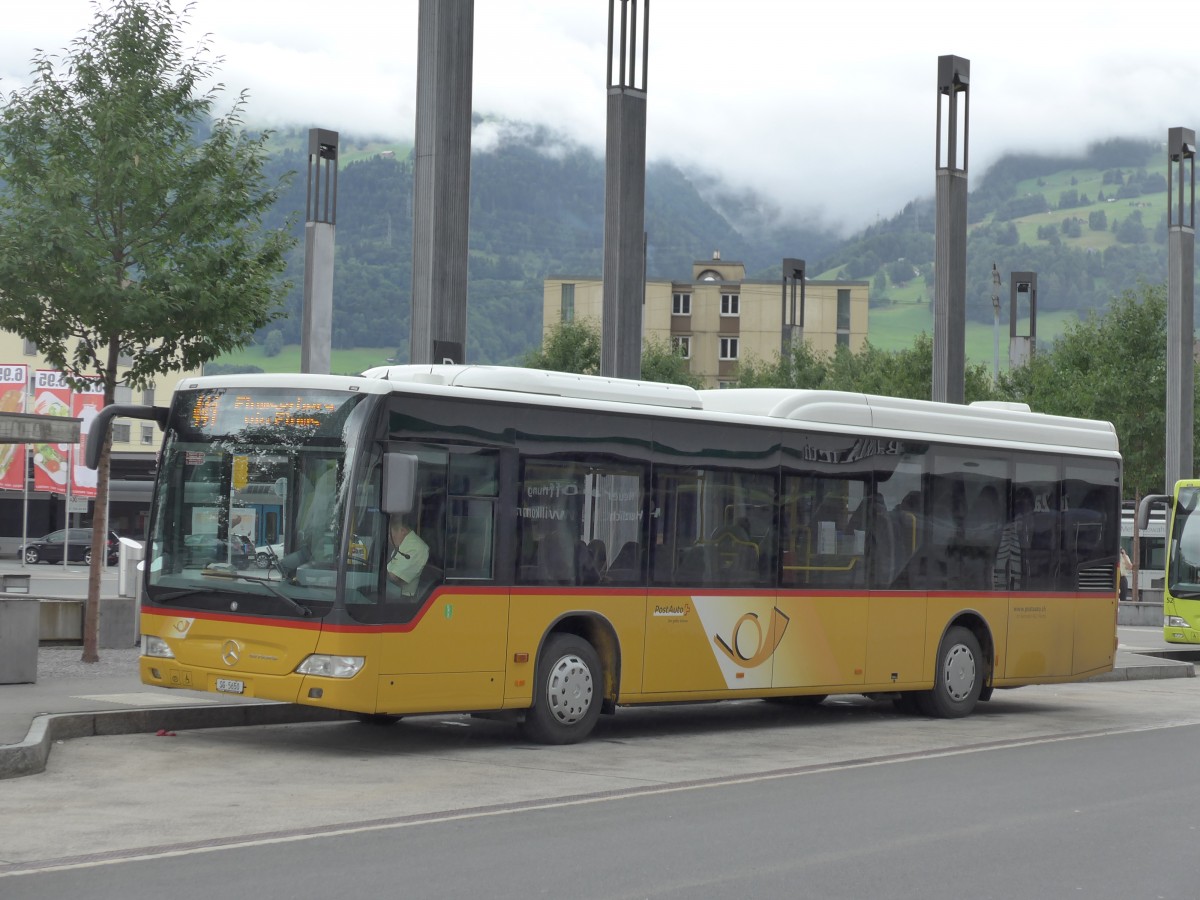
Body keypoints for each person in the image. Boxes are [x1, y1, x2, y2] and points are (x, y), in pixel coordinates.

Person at [387, 515, 429, 596]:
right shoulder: (404, 545)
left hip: (404, 598)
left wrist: (377, 573)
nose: (390, 538)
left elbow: (395, 576)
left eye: (391, 534)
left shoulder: (416, 547)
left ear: (403, 530)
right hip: (394, 591)